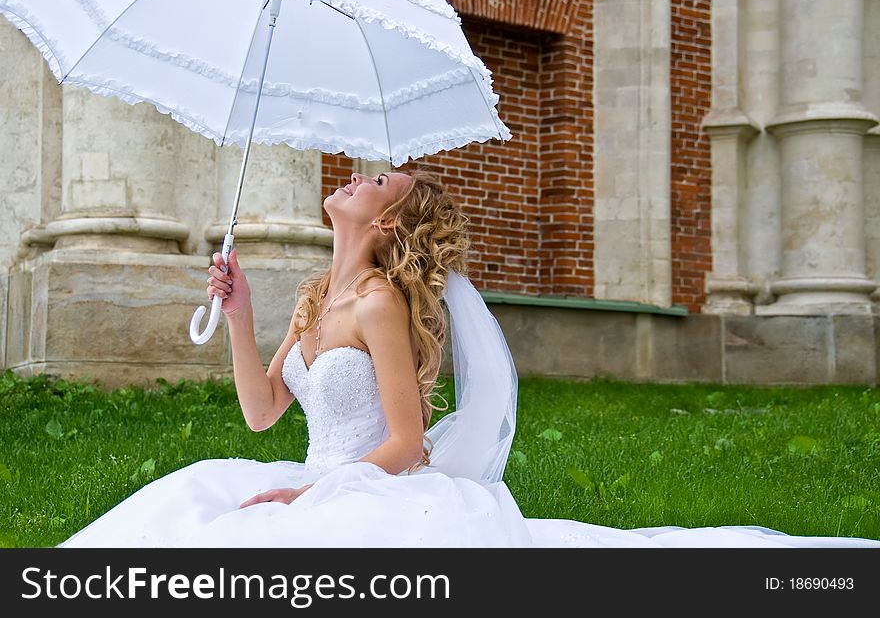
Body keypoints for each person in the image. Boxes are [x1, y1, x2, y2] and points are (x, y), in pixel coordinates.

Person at [58, 169, 880, 548]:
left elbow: (407, 445)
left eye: (374, 181)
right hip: (321, 477)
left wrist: (316, 490)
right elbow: (262, 411)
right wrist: (238, 314)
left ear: (385, 226)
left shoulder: (379, 303)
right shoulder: (315, 296)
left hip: (370, 488)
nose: (351, 178)